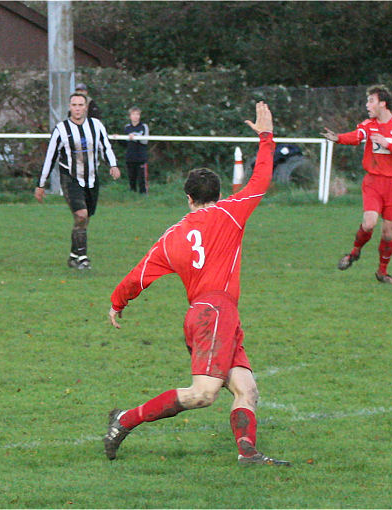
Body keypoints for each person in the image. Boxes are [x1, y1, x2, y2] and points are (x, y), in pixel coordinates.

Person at [104, 102, 290, 467]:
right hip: (215, 313)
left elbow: (138, 275)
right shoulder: (231, 212)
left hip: (210, 315)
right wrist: (266, 139)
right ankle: (123, 420)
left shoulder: (171, 236)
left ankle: (247, 452)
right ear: (217, 195)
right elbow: (261, 180)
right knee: (204, 394)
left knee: (246, 389)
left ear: (188, 198)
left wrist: (117, 302)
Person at [322, 85, 392, 284]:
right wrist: (338, 138)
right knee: (369, 223)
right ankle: (354, 252)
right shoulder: (368, 125)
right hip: (373, 182)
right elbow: (357, 137)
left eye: (371, 101)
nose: (367, 105)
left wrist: (388, 144)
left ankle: (382, 272)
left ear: (383, 103)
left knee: (388, 232)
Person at [35, 93, 120, 270]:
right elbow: (50, 157)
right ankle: (82, 258)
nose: (77, 108)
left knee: (85, 218)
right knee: (81, 215)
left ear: (86, 107)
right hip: (71, 178)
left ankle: (74, 256)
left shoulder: (96, 126)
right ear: (69, 107)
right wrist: (41, 184)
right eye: (74, 105)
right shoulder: (61, 129)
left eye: (81, 105)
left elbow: (105, 146)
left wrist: (113, 165)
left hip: (92, 179)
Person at [122, 106, 150, 193]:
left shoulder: (143, 126)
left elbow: (145, 141)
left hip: (141, 157)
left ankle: (143, 195)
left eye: (137, 114)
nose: (135, 116)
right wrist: (118, 138)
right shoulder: (127, 127)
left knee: (142, 179)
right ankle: (132, 195)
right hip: (130, 157)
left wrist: (135, 137)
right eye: (133, 114)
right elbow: (123, 143)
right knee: (131, 178)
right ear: (130, 116)